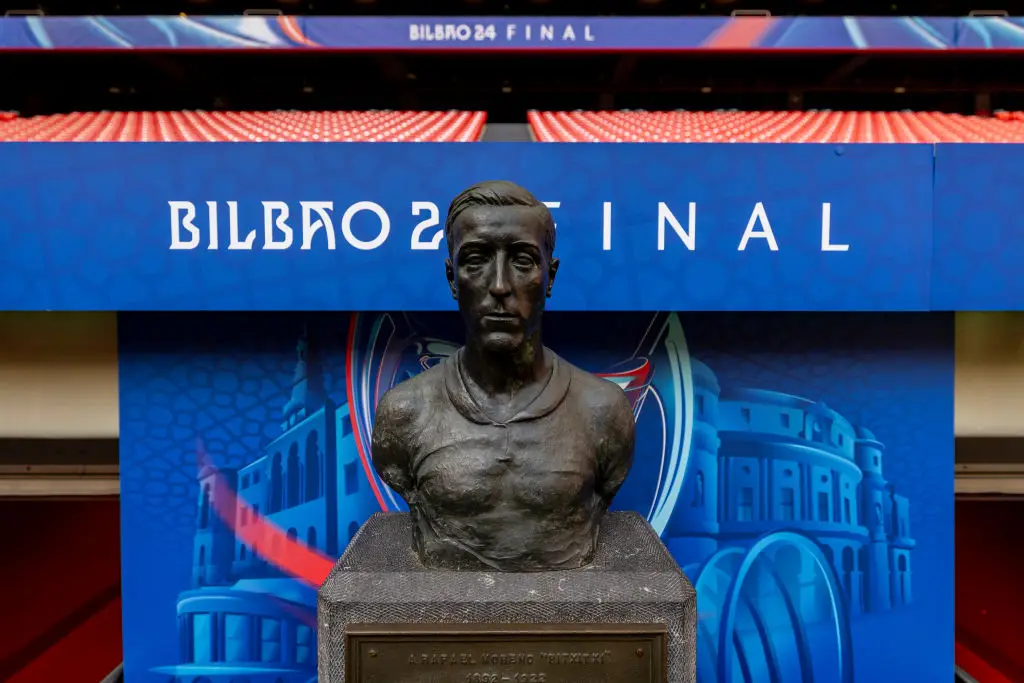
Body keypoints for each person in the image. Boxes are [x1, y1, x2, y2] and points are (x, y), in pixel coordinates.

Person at [371, 180, 636, 572]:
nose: (499, 285)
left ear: (550, 277)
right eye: (476, 260)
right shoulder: (403, 414)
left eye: (522, 261)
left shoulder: (604, 411)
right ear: (452, 279)